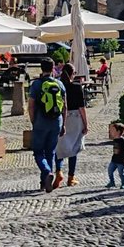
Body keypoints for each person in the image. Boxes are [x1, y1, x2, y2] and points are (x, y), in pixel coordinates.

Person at [28, 58, 67, 191]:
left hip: (41, 121)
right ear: (53, 68)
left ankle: (47, 172)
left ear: (41, 68)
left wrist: (33, 121)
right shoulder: (60, 84)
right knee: (50, 152)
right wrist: (63, 124)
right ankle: (44, 183)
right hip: (56, 121)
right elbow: (65, 106)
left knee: (38, 152)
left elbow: (31, 106)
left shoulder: (36, 84)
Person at [57, 62, 89, 187]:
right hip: (75, 118)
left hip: (62, 117)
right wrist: (86, 124)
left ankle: (58, 172)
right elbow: (82, 108)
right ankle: (71, 177)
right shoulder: (76, 87)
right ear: (72, 74)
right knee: (74, 148)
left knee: (60, 148)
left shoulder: (59, 86)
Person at [106, 121, 124, 189]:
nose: (111, 132)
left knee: (121, 173)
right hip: (114, 159)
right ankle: (112, 182)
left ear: (118, 131)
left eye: (113, 130)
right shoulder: (115, 139)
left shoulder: (123, 141)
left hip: (121, 160)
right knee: (110, 170)